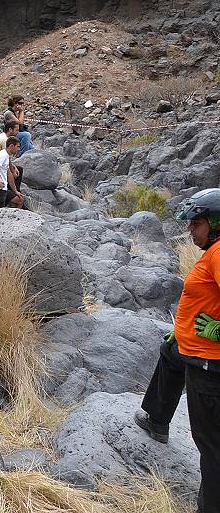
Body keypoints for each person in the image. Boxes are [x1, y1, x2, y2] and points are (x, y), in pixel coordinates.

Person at [135, 189, 220, 513]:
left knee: (211, 446)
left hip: (209, 364)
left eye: (195, 223)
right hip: (192, 348)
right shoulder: (213, 250)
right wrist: (182, 333)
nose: (189, 230)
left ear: (214, 223)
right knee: (169, 357)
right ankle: (157, 420)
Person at [0, 120, 26, 188]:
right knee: (17, 171)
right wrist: (13, 170)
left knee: (17, 168)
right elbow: (7, 158)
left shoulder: (2, 136)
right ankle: (14, 191)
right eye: (16, 130)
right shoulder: (5, 140)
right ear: (10, 129)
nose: (18, 133)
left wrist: (13, 166)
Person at [0, 136, 24, 209]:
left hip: (2, 190)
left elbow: (9, 174)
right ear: (11, 146)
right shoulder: (3, 154)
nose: (19, 149)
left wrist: (15, 191)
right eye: (18, 147)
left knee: (20, 200)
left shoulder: (6, 156)